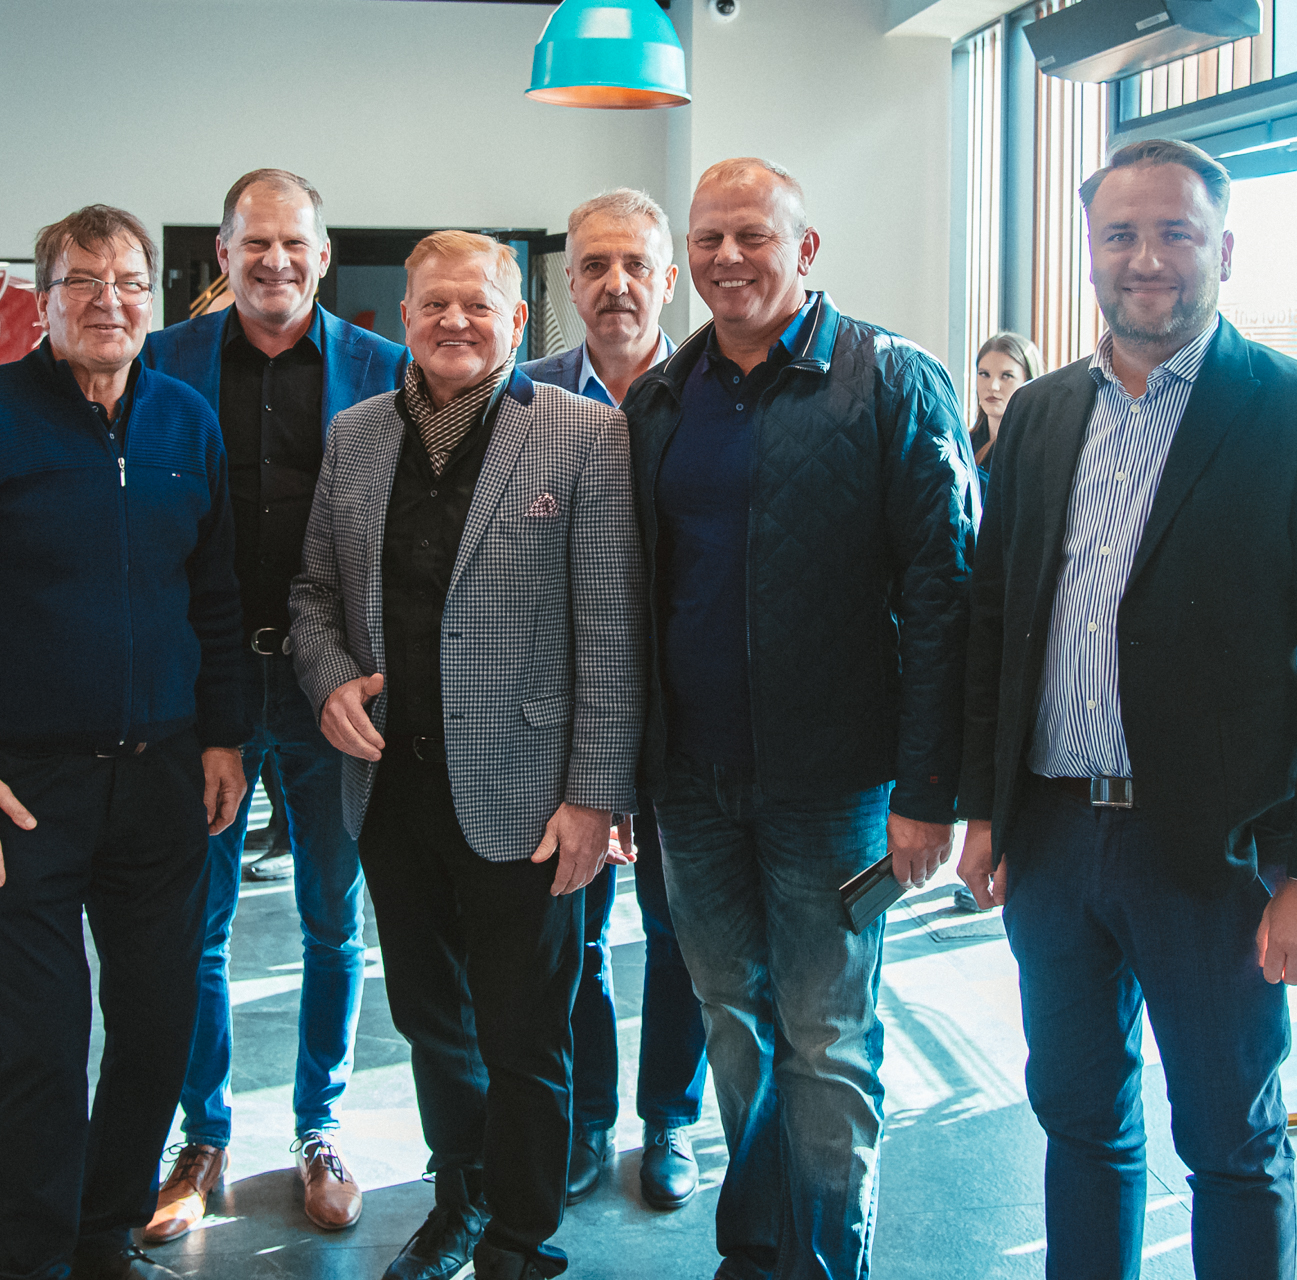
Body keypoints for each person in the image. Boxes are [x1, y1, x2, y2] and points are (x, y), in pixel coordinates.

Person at [954, 138, 1297, 1280]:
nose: (1146, 258)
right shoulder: (1040, 414)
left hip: (1215, 851)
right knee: (1078, 1121)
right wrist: (984, 809)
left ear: (1225, 250)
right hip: (1055, 837)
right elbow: (995, 623)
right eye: (1121, 234)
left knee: (1229, 1140)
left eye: (1175, 233)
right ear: (1090, 253)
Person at [0, 203, 248, 1280]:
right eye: (83, 281)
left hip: (162, 782)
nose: (108, 302)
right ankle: (35, 1257)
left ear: (153, 299)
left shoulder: (185, 422)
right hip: (17, 790)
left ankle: (101, 1234)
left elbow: (216, 595)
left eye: (128, 282)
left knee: (157, 1027)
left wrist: (224, 736)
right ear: (44, 301)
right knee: (38, 1047)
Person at [619, 158, 976, 1280]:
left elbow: (947, 593)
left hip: (838, 787)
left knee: (826, 1037)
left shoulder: (892, 381)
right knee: (731, 1015)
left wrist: (930, 791)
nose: (728, 259)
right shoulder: (663, 398)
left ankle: (823, 1261)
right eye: (709, 239)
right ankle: (758, 1246)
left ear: (805, 249)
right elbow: (643, 594)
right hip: (692, 784)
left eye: (753, 236)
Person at [289, 229, 641, 1280]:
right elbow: (312, 592)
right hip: (391, 788)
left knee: (527, 1035)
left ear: (518, 319)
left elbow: (612, 628)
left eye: (478, 305)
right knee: (428, 1016)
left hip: (528, 799)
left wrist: (595, 798)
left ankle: (523, 1240)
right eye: (434, 304)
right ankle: (462, 1196)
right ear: (403, 317)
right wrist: (328, 678)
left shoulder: (584, 434)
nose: (455, 321)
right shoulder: (355, 436)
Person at [139, 168, 407, 1241]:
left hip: (328, 685)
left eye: (294, 242)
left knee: (332, 920)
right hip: (202, 681)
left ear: (323, 255)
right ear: (223, 253)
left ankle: (320, 1127)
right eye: (255, 243)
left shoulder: (384, 369)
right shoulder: (163, 361)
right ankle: (201, 1135)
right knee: (196, 924)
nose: (275, 260)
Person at [519, 188, 706, 1212]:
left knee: (681, 936)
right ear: (568, 281)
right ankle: (587, 1117)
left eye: (635, 264)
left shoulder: (718, 389)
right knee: (573, 939)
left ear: (668, 278)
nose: (616, 284)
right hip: (568, 724)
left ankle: (669, 1118)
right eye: (594, 265)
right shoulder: (524, 398)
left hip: (690, 727)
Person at [970, 330, 1043, 486]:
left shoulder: (1037, 449)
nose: (993, 386)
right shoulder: (961, 442)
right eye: (984, 374)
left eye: (1007, 376)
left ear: (1029, 381)